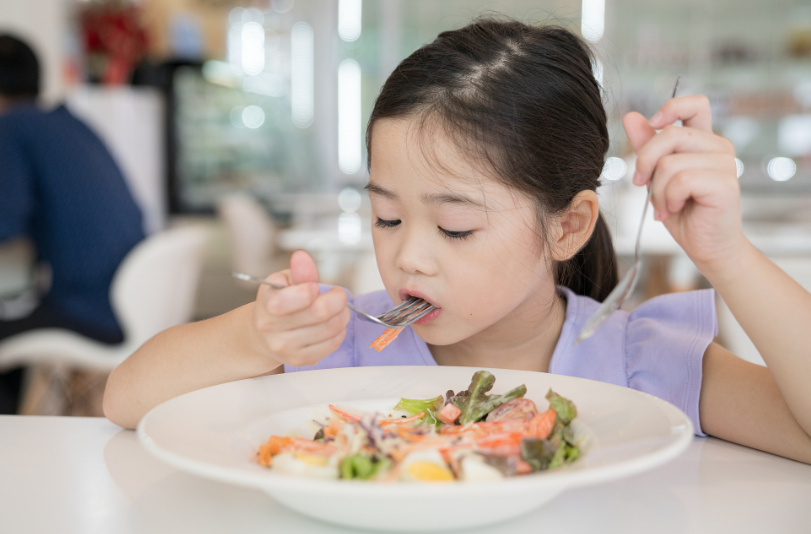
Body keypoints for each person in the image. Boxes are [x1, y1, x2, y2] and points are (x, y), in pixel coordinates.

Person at [104, 20, 811, 463]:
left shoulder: (637, 362)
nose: (408, 255)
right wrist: (256, 339)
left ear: (566, 225)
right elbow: (124, 401)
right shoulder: (340, 347)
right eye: (386, 218)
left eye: (454, 227)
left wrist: (727, 254)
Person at [0, 35, 145, 413]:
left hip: (89, 307)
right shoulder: (69, 121)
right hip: (127, 296)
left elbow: (6, 227)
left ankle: (12, 445)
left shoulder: (10, 129)